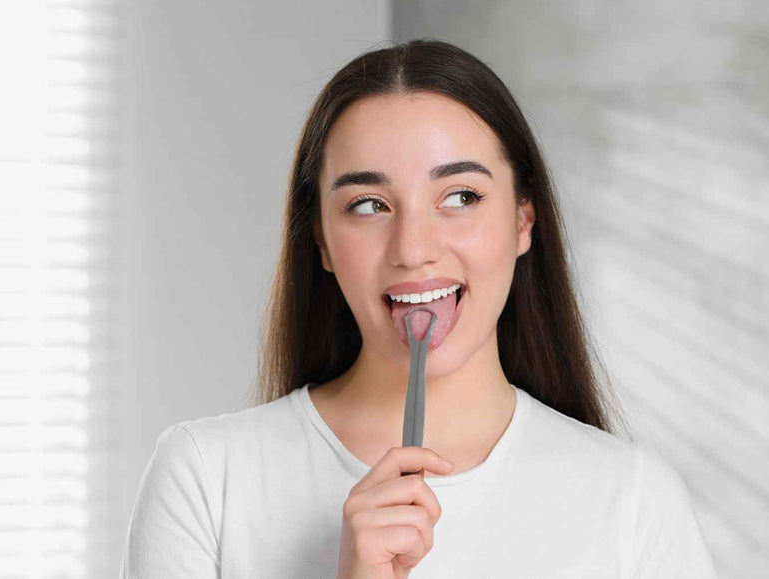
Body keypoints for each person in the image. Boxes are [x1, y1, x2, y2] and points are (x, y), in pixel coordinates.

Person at [120, 38, 716, 578]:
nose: (413, 250)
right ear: (322, 241)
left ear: (522, 220)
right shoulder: (204, 479)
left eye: (460, 196)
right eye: (369, 205)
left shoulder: (633, 499)